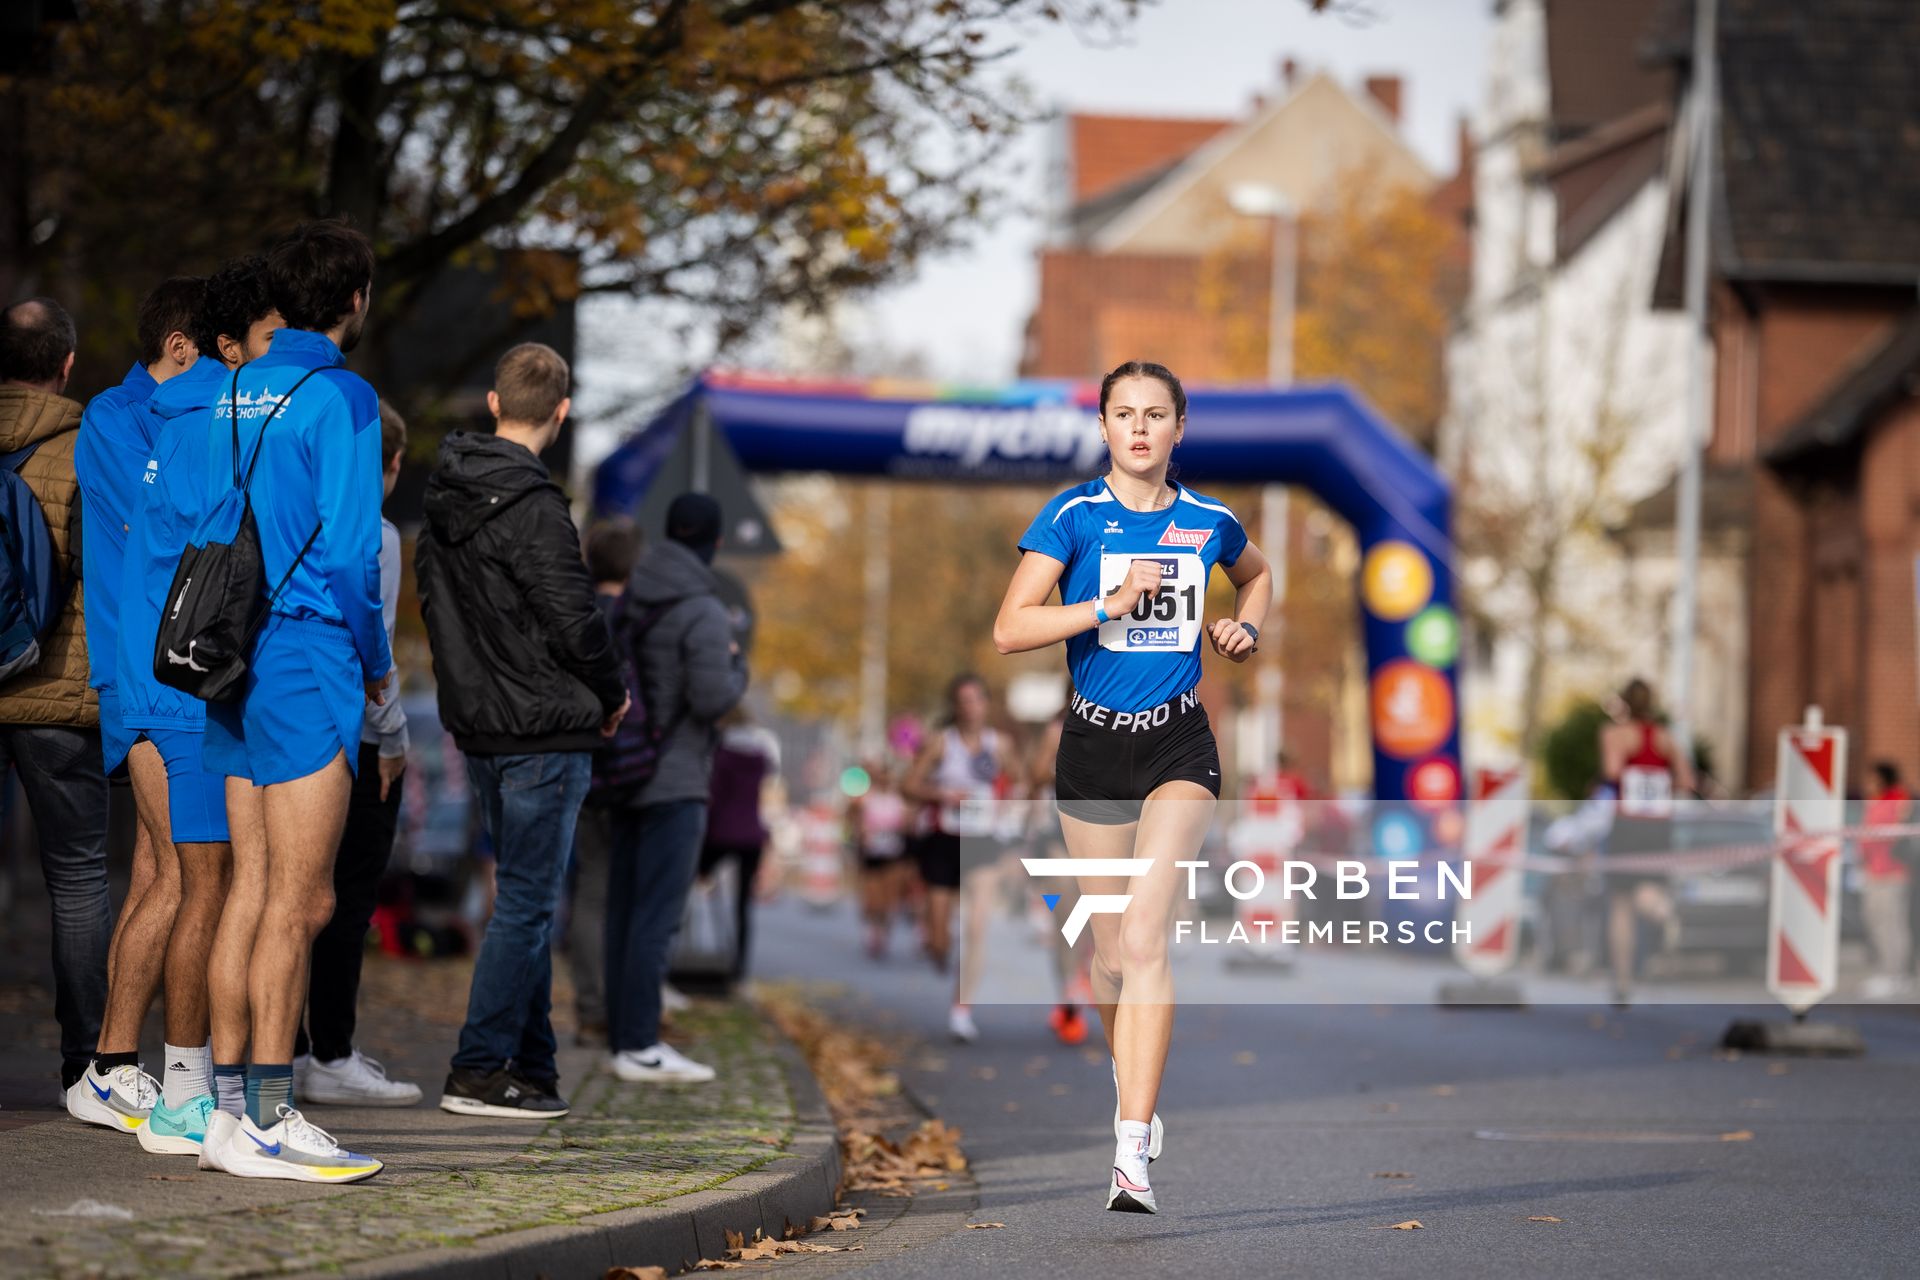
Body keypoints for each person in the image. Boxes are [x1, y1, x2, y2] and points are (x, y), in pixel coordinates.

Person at [992, 359, 1271, 1214]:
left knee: (1146, 939)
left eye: (1156, 414)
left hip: (1179, 747)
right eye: (1124, 414)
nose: (1140, 428)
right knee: (1110, 954)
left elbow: (1255, 574)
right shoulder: (1073, 516)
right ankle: (1133, 1091)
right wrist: (1106, 604)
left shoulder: (1207, 519)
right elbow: (1010, 630)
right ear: (1105, 427)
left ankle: (1131, 1149)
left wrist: (1243, 625)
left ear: (1179, 428)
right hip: (1091, 751)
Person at [196, 221, 392, 1183]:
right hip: (310, 655)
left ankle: (228, 1116)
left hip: (230, 661)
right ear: (354, 299)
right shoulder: (346, 397)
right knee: (303, 900)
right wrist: (380, 663)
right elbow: (356, 553)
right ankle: (272, 1124)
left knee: (251, 890)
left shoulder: (233, 387)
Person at [417, 341, 627, 1119]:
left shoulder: (443, 501)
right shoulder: (537, 508)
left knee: (524, 901)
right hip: (543, 727)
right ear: (562, 413)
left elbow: (438, 614)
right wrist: (612, 692)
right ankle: (477, 1068)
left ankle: (532, 1070)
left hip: (481, 727)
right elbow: (576, 622)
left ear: (497, 403)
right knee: (529, 904)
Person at [107, 258, 279, 1162]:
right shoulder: (226, 418)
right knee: (206, 889)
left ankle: (178, 1090)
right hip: (187, 693)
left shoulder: (162, 419)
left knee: (181, 885)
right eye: (267, 337)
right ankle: (183, 1100)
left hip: (142, 679)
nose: (277, 353)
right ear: (229, 344)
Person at [66, 277, 234, 1153]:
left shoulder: (139, 416)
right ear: (181, 348)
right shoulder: (130, 418)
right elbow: (168, 535)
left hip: (147, 670)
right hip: (151, 673)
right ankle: (142, 1072)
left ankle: (111, 1064)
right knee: (184, 877)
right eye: (218, 353)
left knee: (158, 875)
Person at [291, 399, 419, 1106]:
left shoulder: (290, 516)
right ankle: (331, 1055)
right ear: (391, 466)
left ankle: (284, 1050)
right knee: (346, 899)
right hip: (357, 738)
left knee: (284, 891)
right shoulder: (376, 534)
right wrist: (395, 737)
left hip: (282, 723)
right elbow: (378, 652)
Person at [0, 295, 111, 1097]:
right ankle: (87, 1064)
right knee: (77, 878)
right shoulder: (87, 451)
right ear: (67, 364)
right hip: (53, 689)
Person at [604, 492, 747, 1085]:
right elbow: (713, 698)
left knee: (623, 909)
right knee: (658, 917)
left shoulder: (634, 597)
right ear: (714, 543)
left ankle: (620, 1036)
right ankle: (640, 1044)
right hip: (676, 776)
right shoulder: (703, 611)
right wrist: (739, 665)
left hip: (624, 768)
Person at [568, 519, 641, 1047]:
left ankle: (591, 1007)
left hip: (582, 763)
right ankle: (620, 1010)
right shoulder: (639, 620)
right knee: (626, 895)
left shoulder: (576, 613)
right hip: (633, 770)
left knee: (589, 890)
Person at [1598, 677, 1694, 1009]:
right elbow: (1686, 780)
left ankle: (1622, 982)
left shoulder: (1615, 735)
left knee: (1621, 904)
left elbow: (1612, 772)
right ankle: (1664, 911)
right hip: (1657, 826)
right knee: (1647, 887)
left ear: (1623, 703)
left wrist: (1626, 772)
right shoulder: (1666, 738)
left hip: (1627, 824)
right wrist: (1659, 778)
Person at [697, 705, 781, 984]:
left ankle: (686, 948)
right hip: (751, 835)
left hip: (721, 832)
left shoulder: (722, 754)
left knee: (690, 882)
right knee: (743, 904)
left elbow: (715, 796)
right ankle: (739, 965)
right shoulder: (759, 756)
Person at [1859, 762, 1913, 999]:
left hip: (1892, 872)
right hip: (1874, 871)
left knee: (1892, 924)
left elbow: (1895, 832)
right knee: (1876, 922)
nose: (1867, 783)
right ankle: (1885, 971)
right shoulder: (1877, 801)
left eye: (1872, 778)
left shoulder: (1897, 799)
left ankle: (1897, 974)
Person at [849, 758, 911, 961]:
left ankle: (884, 931)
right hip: (872, 854)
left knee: (889, 899)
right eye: (882, 777)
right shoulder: (866, 799)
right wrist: (862, 833)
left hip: (893, 854)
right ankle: (873, 928)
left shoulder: (900, 801)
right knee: (872, 899)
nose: (885, 781)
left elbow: (909, 825)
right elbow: (853, 820)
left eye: (889, 778)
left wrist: (903, 826)